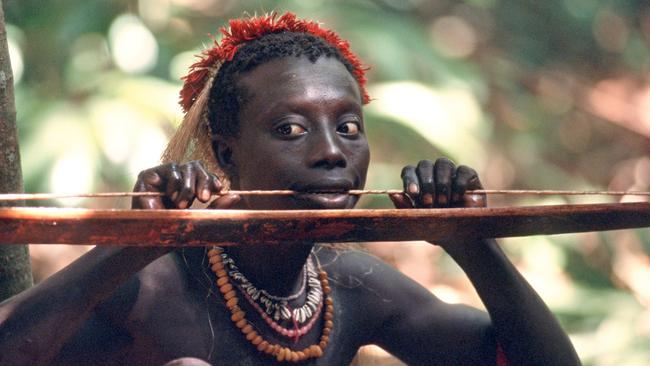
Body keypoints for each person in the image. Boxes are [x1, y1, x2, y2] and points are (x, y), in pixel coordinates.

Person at [0, 12, 581, 365]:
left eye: (348, 127)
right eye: (291, 129)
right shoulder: (149, 286)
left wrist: (473, 243)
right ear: (226, 150)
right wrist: (130, 246)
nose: (332, 151)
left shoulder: (351, 289)